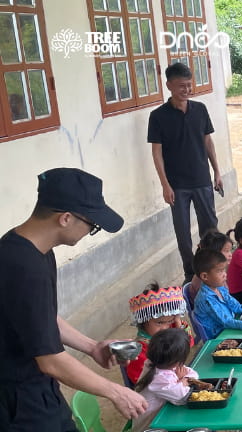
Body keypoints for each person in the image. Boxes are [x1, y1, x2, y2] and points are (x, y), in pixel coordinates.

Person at [0, 168, 147, 429]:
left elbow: (42, 317)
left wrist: (91, 347)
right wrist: (115, 391)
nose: (90, 231)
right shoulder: (21, 265)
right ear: (66, 218)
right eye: (92, 225)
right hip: (18, 402)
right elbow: (51, 360)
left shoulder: (33, 250)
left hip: (37, 390)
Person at [149, 62, 221, 284]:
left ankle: (213, 269)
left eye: (189, 85)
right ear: (169, 85)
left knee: (209, 228)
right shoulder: (158, 116)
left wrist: (217, 172)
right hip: (177, 185)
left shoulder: (200, 110)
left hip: (202, 179)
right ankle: (191, 274)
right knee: (182, 232)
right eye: (181, 86)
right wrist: (165, 185)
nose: (187, 90)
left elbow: (207, 141)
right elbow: (157, 152)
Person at [132, 328, 197, 432]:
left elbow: (193, 374)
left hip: (163, 417)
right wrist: (183, 380)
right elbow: (180, 398)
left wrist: (182, 380)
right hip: (150, 426)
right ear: (177, 360)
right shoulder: (159, 378)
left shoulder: (161, 363)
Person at [125, 284, 190, 385]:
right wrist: (176, 378)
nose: (165, 327)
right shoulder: (139, 351)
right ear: (144, 321)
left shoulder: (172, 328)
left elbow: (187, 345)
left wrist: (178, 324)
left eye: (170, 321)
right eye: (159, 323)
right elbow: (144, 382)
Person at [193, 249, 242, 339]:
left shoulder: (219, 288)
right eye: (220, 271)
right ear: (205, 276)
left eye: (224, 270)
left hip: (230, 327)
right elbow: (226, 322)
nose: (225, 274)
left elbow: (237, 307)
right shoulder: (205, 298)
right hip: (220, 337)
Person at [188, 230, 234, 304]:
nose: (230, 254)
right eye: (226, 251)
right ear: (214, 254)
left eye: (230, 250)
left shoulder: (214, 272)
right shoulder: (206, 280)